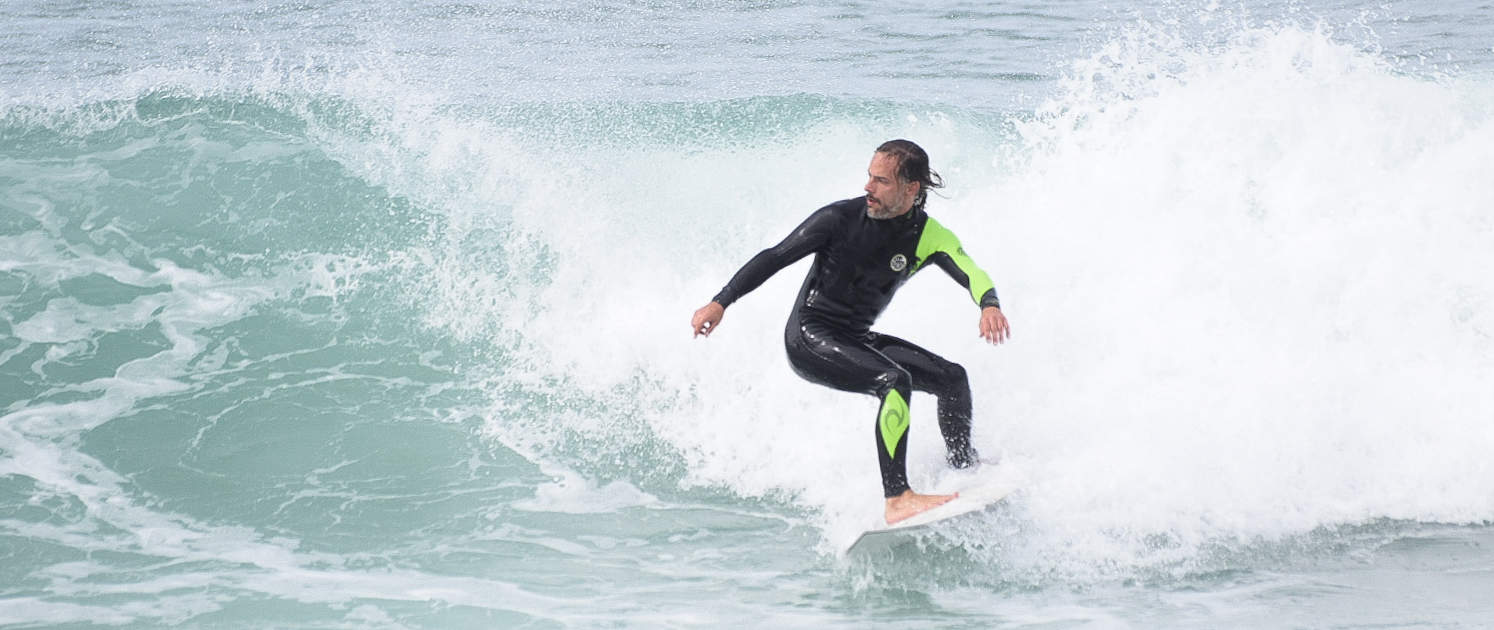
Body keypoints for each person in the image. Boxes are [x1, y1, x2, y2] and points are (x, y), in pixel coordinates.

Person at [690, 139, 1012, 525]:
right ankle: (897, 497)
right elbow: (774, 257)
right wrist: (721, 301)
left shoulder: (929, 236)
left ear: (912, 189)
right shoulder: (838, 219)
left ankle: (964, 467)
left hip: (855, 337)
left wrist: (989, 304)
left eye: (881, 181)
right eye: (869, 177)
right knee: (895, 381)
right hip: (809, 336)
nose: (868, 188)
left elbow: (971, 271)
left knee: (952, 379)